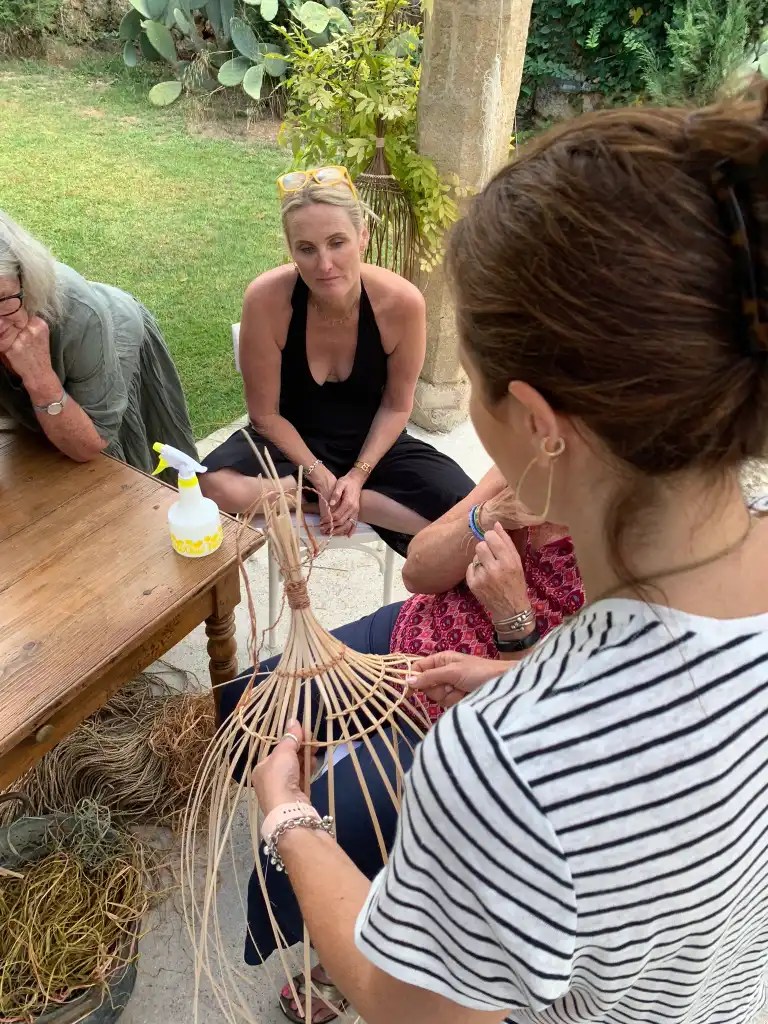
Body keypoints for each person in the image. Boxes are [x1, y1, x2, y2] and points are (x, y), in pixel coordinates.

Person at [250, 84, 768, 1024]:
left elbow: (403, 1004)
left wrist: (289, 815)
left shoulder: (512, 760)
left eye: (479, 375)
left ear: (535, 421)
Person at [218, 466, 584, 1022]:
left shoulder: (629, 539)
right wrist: (486, 517)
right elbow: (417, 570)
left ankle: (350, 950)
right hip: (401, 640)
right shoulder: (524, 464)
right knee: (252, 696)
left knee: (337, 817)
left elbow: (573, 698)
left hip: (468, 708)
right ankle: (279, 795)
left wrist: (513, 620)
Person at [200, 166, 474, 554]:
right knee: (211, 484)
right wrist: (321, 478)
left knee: (471, 512)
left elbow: (397, 406)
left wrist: (357, 476)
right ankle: (324, 499)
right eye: (307, 249)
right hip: (289, 441)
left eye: (337, 242)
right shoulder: (265, 299)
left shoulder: (401, 303)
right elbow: (265, 415)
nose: (324, 264)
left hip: (371, 442)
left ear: (363, 236)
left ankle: (344, 501)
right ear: (290, 249)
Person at [0, 212, 196, 472]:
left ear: (26, 281)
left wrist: (39, 378)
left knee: (116, 475)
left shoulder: (79, 316)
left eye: (2, 299)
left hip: (111, 335)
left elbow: (91, 444)